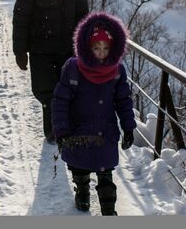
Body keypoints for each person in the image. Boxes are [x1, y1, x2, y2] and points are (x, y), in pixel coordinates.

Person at [51, 11, 136, 216]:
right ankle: (81, 191)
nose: (101, 53)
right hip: (77, 129)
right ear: (88, 47)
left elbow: (123, 101)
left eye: (106, 48)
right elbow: (60, 100)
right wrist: (61, 130)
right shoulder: (73, 68)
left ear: (113, 48)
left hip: (105, 131)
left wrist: (129, 127)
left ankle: (109, 211)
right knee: (79, 169)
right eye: (96, 48)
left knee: (106, 174)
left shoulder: (117, 71)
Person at [12, 0, 89, 143]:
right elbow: (20, 19)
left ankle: (69, 128)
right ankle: (53, 132)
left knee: (71, 90)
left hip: (69, 50)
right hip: (41, 51)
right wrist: (19, 51)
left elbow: (83, 18)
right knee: (47, 92)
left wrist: (87, 47)